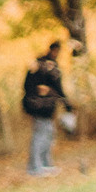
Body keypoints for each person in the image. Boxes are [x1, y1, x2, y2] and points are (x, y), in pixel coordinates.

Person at [22, 44, 70, 174]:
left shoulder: (53, 67)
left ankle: (45, 164)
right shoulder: (38, 65)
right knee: (39, 137)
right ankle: (35, 167)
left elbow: (58, 88)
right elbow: (28, 86)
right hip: (38, 109)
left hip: (48, 110)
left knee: (49, 135)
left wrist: (67, 104)